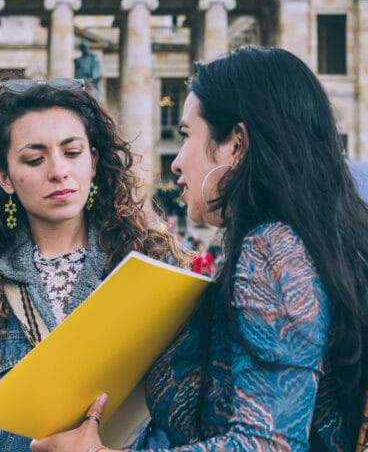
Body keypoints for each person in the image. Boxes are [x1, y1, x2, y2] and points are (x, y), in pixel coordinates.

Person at [30, 46, 368, 452]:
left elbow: (269, 444)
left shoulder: (271, 249)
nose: (176, 162)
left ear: (236, 145)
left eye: (187, 135)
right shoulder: (324, 237)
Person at [0, 77, 178, 450]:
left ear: (94, 162)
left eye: (73, 152)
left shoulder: (155, 268)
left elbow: (191, 422)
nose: (58, 171)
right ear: (4, 178)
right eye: (35, 159)